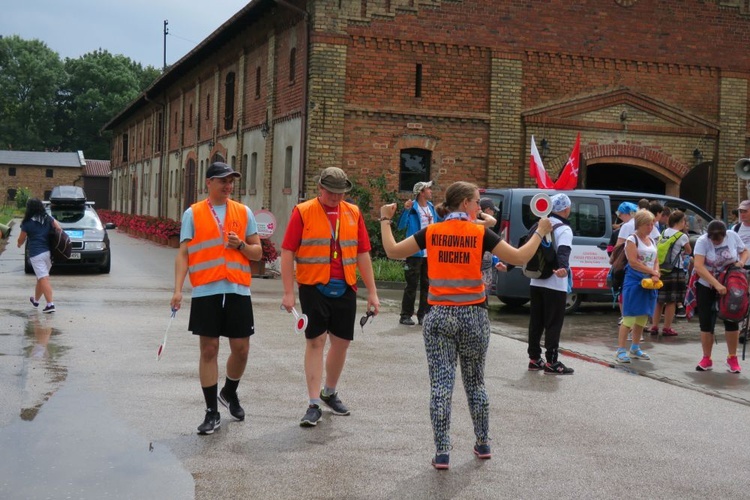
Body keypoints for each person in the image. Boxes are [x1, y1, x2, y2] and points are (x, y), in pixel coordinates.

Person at [379, 181, 552, 470]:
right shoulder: (479, 232)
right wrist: (540, 232)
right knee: (476, 383)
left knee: (441, 386)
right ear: (464, 204)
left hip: (439, 315)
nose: (479, 207)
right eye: (475, 202)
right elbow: (521, 258)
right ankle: (483, 443)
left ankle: (443, 451)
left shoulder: (432, 232)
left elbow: (394, 251)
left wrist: (385, 219)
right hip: (473, 315)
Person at [281, 167, 380, 428]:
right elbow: (288, 251)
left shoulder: (353, 212)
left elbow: (362, 253)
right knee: (316, 340)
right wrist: (289, 292)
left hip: (345, 285)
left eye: (340, 193)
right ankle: (313, 403)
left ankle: (329, 392)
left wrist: (372, 292)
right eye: (331, 193)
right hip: (313, 285)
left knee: (342, 342)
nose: (336, 198)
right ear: (320, 189)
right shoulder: (303, 212)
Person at [171, 162, 263, 435]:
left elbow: (258, 253)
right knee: (209, 349)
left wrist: (242, 246)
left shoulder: (244, 212)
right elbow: (183, 254)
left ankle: (229, 391)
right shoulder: (193, 213)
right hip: (206, 291)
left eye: (231, 181)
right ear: (208, 183)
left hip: (237, 290)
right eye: (223, 180)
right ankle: (211, 412)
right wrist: (177, 289)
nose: (228, 185)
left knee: (241, 349)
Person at [692, 220, 749, 373]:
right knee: (706, 322)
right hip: (707, 284)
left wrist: (741, 262)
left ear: (725, 235)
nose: (716, 242)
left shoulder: (732, 235)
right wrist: (716, 284)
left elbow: (744, 251)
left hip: (730, 283)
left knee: (732, 319)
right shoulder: (702, 241)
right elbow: (698, 266)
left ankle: (732, 357)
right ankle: (706, 358)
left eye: (719, 239)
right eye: (713, 239)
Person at [527, 193, 575, 374]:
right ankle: (552, 362)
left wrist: (508, 265)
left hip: (536, 280)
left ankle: (534, 359)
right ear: (565, 209)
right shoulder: (564, 228)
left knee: (536, 322)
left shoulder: (539, 225)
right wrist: (563, 267)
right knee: (553, 323)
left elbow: (525, 247)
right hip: (555, 283)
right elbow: (564, 250)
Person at [615, 209, 660, 363]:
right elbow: (633, 262)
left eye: (652, 223)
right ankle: (621, 349)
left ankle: (635, 347)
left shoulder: (652, 240)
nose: (651, 227)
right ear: (639, 225)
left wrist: (655, 273)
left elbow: (656, 260)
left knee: (642, 316)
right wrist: (652, 271)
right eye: (648, 224)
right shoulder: (631, 240)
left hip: (649, 282)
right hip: (634, 281)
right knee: (628, 317)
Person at [397, 180, 441, 326]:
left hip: (430, 253)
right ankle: (405, 315)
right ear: (421, 192)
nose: (431, 191)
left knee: (427, 285)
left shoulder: (431, 207)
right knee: (411, 285)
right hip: (414, 252)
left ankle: (423, 315)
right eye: (428, 189)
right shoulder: (412, 207)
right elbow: (401, 226)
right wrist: (406, 210)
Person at [648, 210, 692, 336]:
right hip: (675, 270)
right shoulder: (681, 236)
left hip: (661, 269)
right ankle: (667, 328)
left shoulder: (664, 232)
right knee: (672, 301)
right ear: (681, 222)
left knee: (659, 300)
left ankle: (654, 326)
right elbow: (688, 251)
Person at [17, 198, 59, 313]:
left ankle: (50, 304)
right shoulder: (48, 219)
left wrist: (19, 244)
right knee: (41, 278)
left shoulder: (27, 223)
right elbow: (59, 229)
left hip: (36, 254)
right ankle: (35, 300)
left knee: (43, 278)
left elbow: (21, 239)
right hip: (48, 254)